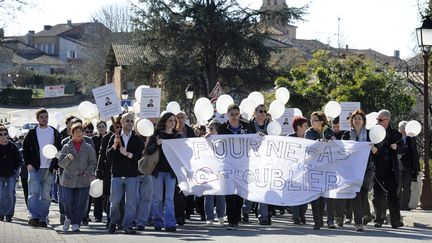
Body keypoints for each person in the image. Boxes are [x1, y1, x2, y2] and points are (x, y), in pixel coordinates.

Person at [23, 108, 62, 227]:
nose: (44, 119)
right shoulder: (32, 133)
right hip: (34, 168)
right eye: (42, 117)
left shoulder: (54, 132)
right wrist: (28, 164)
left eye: (46, 116)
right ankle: (34, 216)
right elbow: (25, 150)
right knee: (34, 193)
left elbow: (58, 151)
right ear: (37, 119)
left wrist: (55, 166)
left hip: (49, 169)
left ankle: (43, 218)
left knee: (46, 195)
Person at [107, 113, 144, 234]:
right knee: (115, 201)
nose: (129, 123)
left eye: (131, 121)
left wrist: (128, 154)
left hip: (131, 175)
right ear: (122, 122)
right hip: (117, 174)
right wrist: (115, 145)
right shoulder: (115, 137)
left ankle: (127, 225)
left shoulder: (137, 139)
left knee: (131, 203)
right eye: (127, 121)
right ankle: (113, 221)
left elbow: (139, 156)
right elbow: (109, 156)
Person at [217, 104, 251, 230]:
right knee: (229, 193)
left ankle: (236, 216)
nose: (235, 117)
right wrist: (209, 138)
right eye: (232, 114)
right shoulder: (222, 128)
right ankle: (232, 221)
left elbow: (253, 141)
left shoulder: (246, 126)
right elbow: (217, 143)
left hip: (242, 165)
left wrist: (259, 137)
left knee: (240, 193)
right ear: (227, 114)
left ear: (239, 114)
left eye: (237, 114)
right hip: (227, 165)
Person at [58, 123, 97, 232]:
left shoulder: (88, 147)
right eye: (76, 132)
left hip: (83, 179)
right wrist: (67, 158)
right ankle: (69, 218)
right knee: (69, 202)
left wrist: (87, 172)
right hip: (68, 179)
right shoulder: (66, 146)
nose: (79, 134)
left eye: (80, 132)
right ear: (72, 133)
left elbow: (93, 162)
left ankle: (76, 223)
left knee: (81, 203)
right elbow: (60, 163)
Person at [147, 112, 181, 232]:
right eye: (170, 120)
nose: (173, 123)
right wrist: (156, 144)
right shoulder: (157, 135)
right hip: (158, 171)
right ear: (165, 122)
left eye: (174, 121)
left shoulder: (177, 136)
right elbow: (148, 151)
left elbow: (183, 153)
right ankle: (157, 222)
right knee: (157, 198)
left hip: (171, 172)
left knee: (169, 198)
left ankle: (170, 223)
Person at [372, 109, 404, 229]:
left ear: (387, 120)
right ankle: (379, 219)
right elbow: (367, 147)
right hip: (377, 167)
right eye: (377, 120)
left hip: (391, 168)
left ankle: (395, 221)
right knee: (377, 195)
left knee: (392, 195)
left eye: (380, 120)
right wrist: (372, 149)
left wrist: (397, 148)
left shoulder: (396, 134)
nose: (378, 122)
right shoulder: (373, 132)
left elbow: (403, 149)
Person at [304, 111, 336, 230]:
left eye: (314, 120)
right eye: (311, 120)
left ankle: (327, 219)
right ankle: (317, 221)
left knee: (325, 195)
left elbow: (337, 147)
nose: (312, 122)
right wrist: (319, 143)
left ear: (321, 121)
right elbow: (308, 148)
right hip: (314, 167)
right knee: (315, 195)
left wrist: (333, 141)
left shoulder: (329, 131)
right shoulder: (309, 132)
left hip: (327, 167)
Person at [344, 110, 375, 231]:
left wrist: (373, 148)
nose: (357, 120)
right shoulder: (346, 135)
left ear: (363, 121)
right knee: (355, 195)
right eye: (355, 118)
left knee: (362, 196)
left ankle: (363, 216)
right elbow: (341, 149)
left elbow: (376, 151)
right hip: (351, 170)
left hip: (366, 170)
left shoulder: (369, 134)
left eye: (359, 118)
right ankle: (358, 223)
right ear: (351, 121)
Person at [242, 104, 271, 226]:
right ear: (255, 113)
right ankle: (245, 209)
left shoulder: (271, 126)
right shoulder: (248, 126)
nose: (263, 113)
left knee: (263, 187)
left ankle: (263, 216)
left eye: (265, 111)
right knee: (251, 188)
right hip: (251, 162)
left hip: (266, 161)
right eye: (260, 111)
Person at [174, 111, 196, 225]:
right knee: (174, 191)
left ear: (186, 118)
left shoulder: (190, 131)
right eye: (178, 117)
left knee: (183, 191)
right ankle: (176, 215)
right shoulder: (172, 131)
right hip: (173, 165)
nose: (180, 120)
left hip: (186, 165)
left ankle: (181, 215)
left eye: (182, 117)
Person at [204, 119, 226, 226]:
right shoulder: (204, 139)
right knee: (209, 195)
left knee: (220, 195)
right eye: (209, 127)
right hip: (209, 170)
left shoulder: (222, 139)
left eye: (212, 127)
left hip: (220, 170)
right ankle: (210, 218)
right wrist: (206, 140)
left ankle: (221, 216)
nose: (210, 129)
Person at [288, 116, 309, 224]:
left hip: (305, 171)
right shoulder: (289, 138)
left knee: (304, 194)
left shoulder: (309, 138)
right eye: (305, 125)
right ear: (298, 127)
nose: (307, 127)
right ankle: (296, 216)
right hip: (293, 171)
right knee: (295, 194)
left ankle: (302, 214)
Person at [0, 125, 21, 222]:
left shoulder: (13, 146)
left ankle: (9, 214)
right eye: (0, 134)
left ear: (8, 135)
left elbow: (18, 160)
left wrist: (15, 170)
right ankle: (1, 213)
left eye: (5, 134)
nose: (3, 136)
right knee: (0, 194)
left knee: (10, 194)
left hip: (10, 174)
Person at [398, 121, 420, 211]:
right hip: (398, 167)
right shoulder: (395, 138)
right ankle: (397, 205)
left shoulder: (411, 139)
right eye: (401, 129)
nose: (403, 131)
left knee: (407, 188)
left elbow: (415, 153)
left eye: (404, 129)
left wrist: (416, 168)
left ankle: (405, 206)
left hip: (408, 167)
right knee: (398, 187)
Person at [92, 120, 108, 222]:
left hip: (107, 168)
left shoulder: (110, 137)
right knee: (97, 192)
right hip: (97, 167)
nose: (101, 128)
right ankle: (98, 215)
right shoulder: (94, 139)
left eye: (103, 126)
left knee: (106, 193)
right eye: (99, 127)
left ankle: (107, 213)